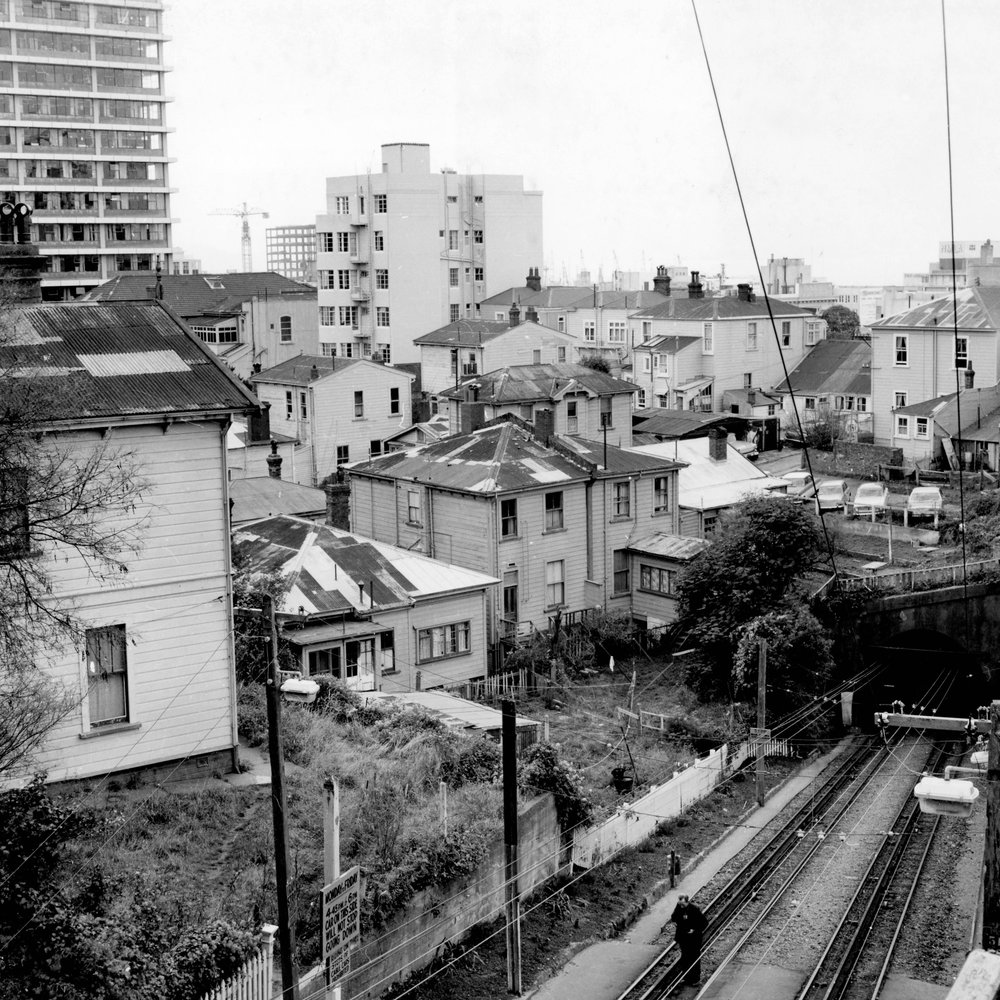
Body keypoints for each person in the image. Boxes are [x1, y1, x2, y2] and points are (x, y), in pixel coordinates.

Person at [670, 893, 707, 987]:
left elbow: (704, 923)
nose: (681, 906)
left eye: (682, 904)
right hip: (683, 938)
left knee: (694, 957)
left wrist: (694, 930)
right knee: (685, 957)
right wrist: (677, 919)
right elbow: (674, 917)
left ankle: (695, 979)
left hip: (694, 939)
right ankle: (686, 977)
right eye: (679, 903)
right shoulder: (679, 907)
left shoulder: (694, 909)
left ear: (687, 901)